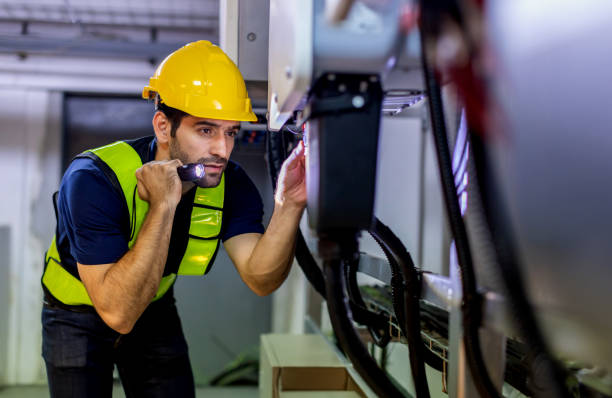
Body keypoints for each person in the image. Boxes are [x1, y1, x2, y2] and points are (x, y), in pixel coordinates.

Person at [40, 40, 306, 397]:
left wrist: (289, 203)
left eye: (231, 132)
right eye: (206, 130)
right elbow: (118, 313)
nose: (223, 151)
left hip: (151, 306)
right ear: (164, 127)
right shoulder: (93, 178)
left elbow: (261, 278)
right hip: (73, 315)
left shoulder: (231, 183)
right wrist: (164, 204)